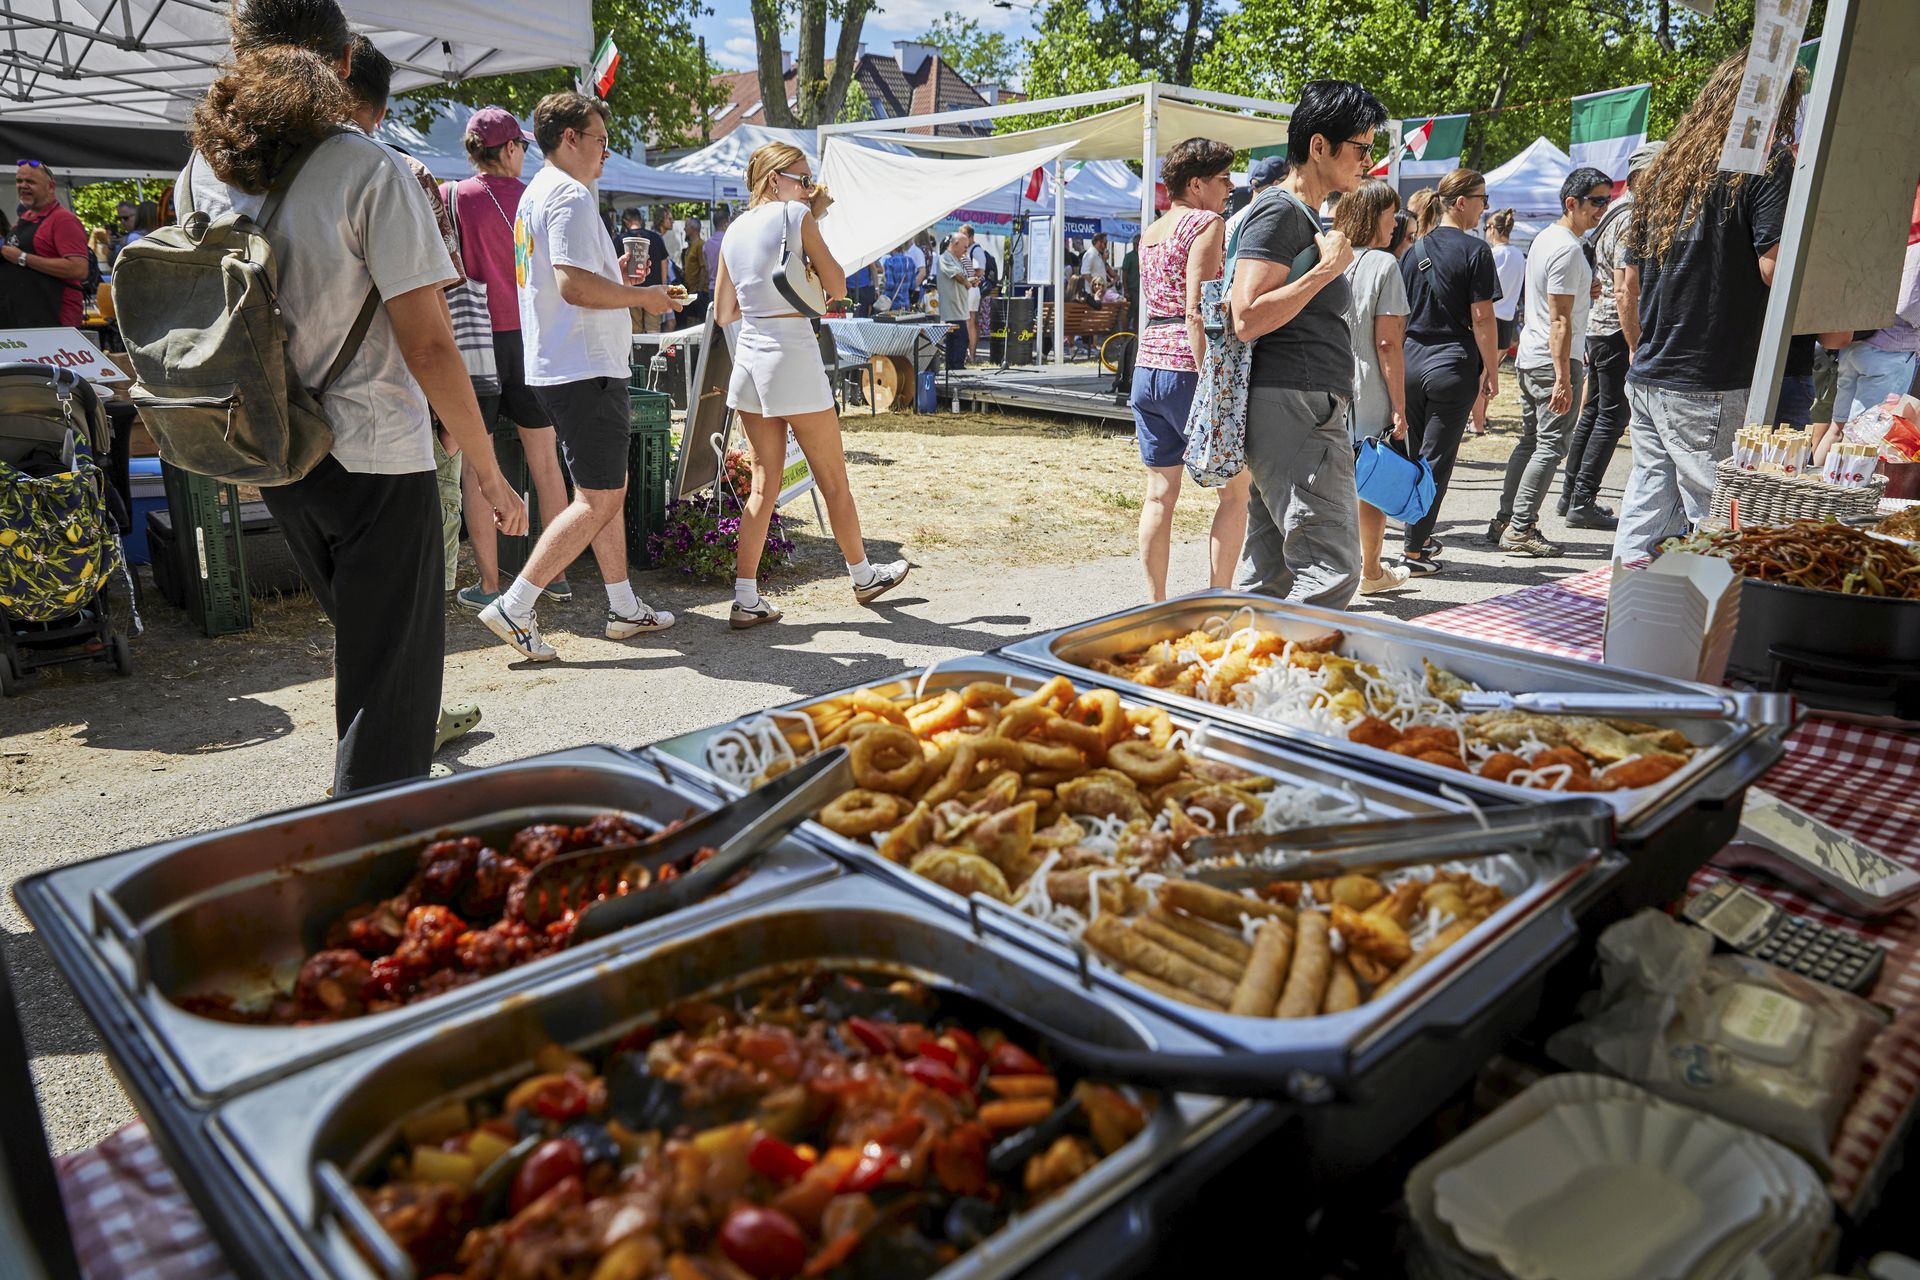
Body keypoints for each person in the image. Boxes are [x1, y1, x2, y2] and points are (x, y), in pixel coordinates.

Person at [182, 0, 527, 793]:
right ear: (342, 64)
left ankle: (360, 829)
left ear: (241, 51)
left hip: (277, 446)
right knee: (392, 693)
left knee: (371, 667)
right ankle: (370, 853)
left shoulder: (202, 168)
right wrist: (487, 467)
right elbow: (431, 343)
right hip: (375, 454)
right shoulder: (366, 166)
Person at [475, 91, 683, 661]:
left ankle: (622, 606)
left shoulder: (539, 193)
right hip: (582, 366)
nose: (606, 153)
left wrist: (613, 277)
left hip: (561, 362)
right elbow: (572, 287)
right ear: (570, 138)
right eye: (600, 141)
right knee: (598, 498)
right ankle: (516, 604)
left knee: (599, 492)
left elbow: (564, 282)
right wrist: (644, 295)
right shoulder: (567, 195)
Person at [1613, 51, 1802, 563]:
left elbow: (1627, 280)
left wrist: (1637, 349)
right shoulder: (1764, 158)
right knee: (1719, 516)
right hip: (1707, 377)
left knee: (1648, 511)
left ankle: (1632, 623)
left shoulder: (1669, 164)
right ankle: (1718, 636)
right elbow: (1775, 266)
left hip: (1655, 369)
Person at [712, 142, 909, 627]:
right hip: (792, 359)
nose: (809, 188)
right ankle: (863, 576)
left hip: (750, 361)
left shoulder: (734, 229)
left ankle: (745, 596)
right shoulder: (795, 218)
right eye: (802, 178)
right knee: (833, 478)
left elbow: (723, 313)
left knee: (763, 484)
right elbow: (838, 285)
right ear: (775, 178)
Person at [1231, 78, 1385, 609]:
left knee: (1269, 577)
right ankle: (1297, 685)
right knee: (1333, 570)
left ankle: (1240, 682)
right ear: (1319, 146)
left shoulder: (1299, 213)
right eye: (1362, 147)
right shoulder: (1280, 211)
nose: (1369, 159)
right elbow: (1245, 316)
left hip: (1295, 405)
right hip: (1295, 406)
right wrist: (1325, 272)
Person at [449, 105, 578, 615]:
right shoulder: (533, 198)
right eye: (521, 145)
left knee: (477, 468)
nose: (524, 152)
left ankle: (488, 581)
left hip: (474, 340)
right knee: (546, 462)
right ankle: (558, 575)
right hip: (530, 339)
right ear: (507, 149)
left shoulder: (452, 197)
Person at [1128, 136, 1245, 602]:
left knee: (1160, 495)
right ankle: (1220, 595)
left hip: (1148, 363)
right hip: (1186, 366)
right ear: (1196, 184)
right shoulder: (1207, 223)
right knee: (1236, 492)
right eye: (1222, 179)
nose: (1230, 187)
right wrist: (1212, 378)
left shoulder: (1152, 231)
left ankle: (1154, 602)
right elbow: (1197, 309)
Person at [1492, 167, 1612, 558]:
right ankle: (1521, 527)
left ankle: (1505, 520)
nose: (1601, 209)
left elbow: (1555, 301)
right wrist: (1564, 378)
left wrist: (1585, 289)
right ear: (1571, 203)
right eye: (1596, 201)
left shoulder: (1550, 239)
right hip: (1552, 360)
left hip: (1533, 355)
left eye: (1606, 201)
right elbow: (1559, 320)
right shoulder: (1566, 248)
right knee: (1549, 446)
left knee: (1530, 442)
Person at [1399, 168, 1501, 574]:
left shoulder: (1413, 251)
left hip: (1410, 359)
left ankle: (1415, 537)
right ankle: (1414, 548)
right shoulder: (1476, 251)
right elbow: (1483, 318)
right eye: (1482, 199)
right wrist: (1490, 370)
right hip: (1452, 364)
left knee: (1414, 455)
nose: (1485, 208)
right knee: (1436, 460)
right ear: (1462, 203)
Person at [1559, 140, 1664, 530]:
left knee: (1594, 412)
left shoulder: (1616, 211)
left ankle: (1571, 495)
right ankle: (1582, 499)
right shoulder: (1632, 215)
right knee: (1611, 416)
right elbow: (1625, 287)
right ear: (1642, 175)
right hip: (1616, 327)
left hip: (1600, 325)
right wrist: (1635, 340)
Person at [1334, 179, 1412, 595]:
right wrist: (1399, 406)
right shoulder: (1384, 265)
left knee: (1329, 477)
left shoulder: (1329, 257)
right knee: (1371, 480)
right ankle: (1370, 570)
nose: (1395, 222)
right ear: (1374, 216)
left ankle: (1335, 566)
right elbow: (1387, 342)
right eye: (1390, 214)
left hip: (1327, 378)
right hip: (1367, 384)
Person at [1831, 231, 1920, 424]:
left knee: (1838, 429)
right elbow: (1906, 306)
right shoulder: (1917, 249)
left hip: (1856, 342)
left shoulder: (1884, 237)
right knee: (1868, 434)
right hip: (1889, 351)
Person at [2, 161, 89, 327]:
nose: (23, 186)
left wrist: (22, 257)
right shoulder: (23, 220)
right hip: (24, 316)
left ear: (50, 186)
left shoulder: (63, 220)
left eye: (30, 182)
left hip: (55, 318)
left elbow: (79, 269)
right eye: (19, 181)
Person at [1487, 209, 1524, 354]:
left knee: (1482, 370)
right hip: (1508, 317)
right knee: (1493, 369)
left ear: (1492, 228)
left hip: (1490, 316)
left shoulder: (1492, 254)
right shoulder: (1519, 254)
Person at [937, 231, 975, 370]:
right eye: (965, 247)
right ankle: (956, 367)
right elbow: (957, 276)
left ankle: (953, 367)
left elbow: (962, 277)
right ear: (956, 244)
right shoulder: (945, 257)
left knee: (956, 340)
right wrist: (967, 282)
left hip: (958, 306)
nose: (966, 250)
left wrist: (971, 281)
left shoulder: (955, 259)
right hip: (952, 308)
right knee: (961, 338)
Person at [680, 219, 711, 324]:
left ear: (693, 229)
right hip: (690, 290)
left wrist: (700, 290)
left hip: (698, 292)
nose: (684, 229)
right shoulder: (690, 247)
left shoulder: (700, 245)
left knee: (699, 322)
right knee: (690, 319)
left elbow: (703, 268)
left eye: (686, 226)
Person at [881, 243, 916, 311]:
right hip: (906, 303)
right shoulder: (910, 261)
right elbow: (913, 285)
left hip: (893, 303)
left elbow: (890, 285)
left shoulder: (890, 261)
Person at [703, 203, 729, 290]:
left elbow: (706, 269)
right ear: (725, 223)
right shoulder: (728, 241)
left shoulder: (706, 244)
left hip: (712, 286)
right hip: (727, 288)